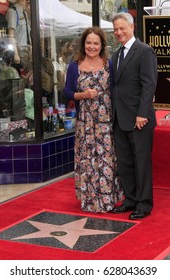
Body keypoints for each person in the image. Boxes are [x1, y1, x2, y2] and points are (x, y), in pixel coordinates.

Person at [64, 26, 123, 213]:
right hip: (85, 123)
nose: (92, 46)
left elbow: (117, 88)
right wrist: (82, 95)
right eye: (88, 42)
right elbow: (66, 92)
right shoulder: (75, 65)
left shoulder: (109, 63)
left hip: (105, 121)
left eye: (95, 43)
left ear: (102, 45)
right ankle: (89, 200)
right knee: (87, 160)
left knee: (106, 159)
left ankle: (107, 199)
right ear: (83, 44)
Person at [111, 12, 158, 219]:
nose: (119, 32)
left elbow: (149, 84)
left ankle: (144, 204)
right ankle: (130, 199)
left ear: (132, 27)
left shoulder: (144, 51)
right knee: (125, 163)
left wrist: (142, 113)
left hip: (140, 119)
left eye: (122, 28)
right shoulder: (116, 55)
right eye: (115, 30)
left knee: (141, 163)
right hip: (119, 118)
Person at [5, 0, 31, 73]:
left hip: (26, 51)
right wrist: (15, 53)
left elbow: (27, 35)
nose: (28, 2)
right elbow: (10, 35)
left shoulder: (24, 13)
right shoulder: (13, 12)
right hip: (19, 51)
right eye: (27, 1)